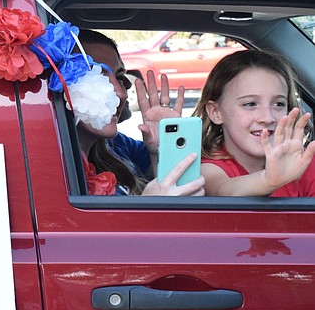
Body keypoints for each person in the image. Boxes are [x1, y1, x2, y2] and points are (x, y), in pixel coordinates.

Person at [76, 30, 205, 196]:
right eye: (97, 76)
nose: (121, 94)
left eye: (120, 78)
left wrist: (164, 148)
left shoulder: (116, 145)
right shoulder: (51, 171)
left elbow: (178, 180)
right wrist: (150, 206)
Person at [194, 48, 315, 196]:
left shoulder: (302, 162)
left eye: (278, 104)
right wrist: (269, 180)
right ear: (216, 112)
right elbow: (223, 190)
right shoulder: (208, 169)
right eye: (250, 104)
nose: (268, 117)